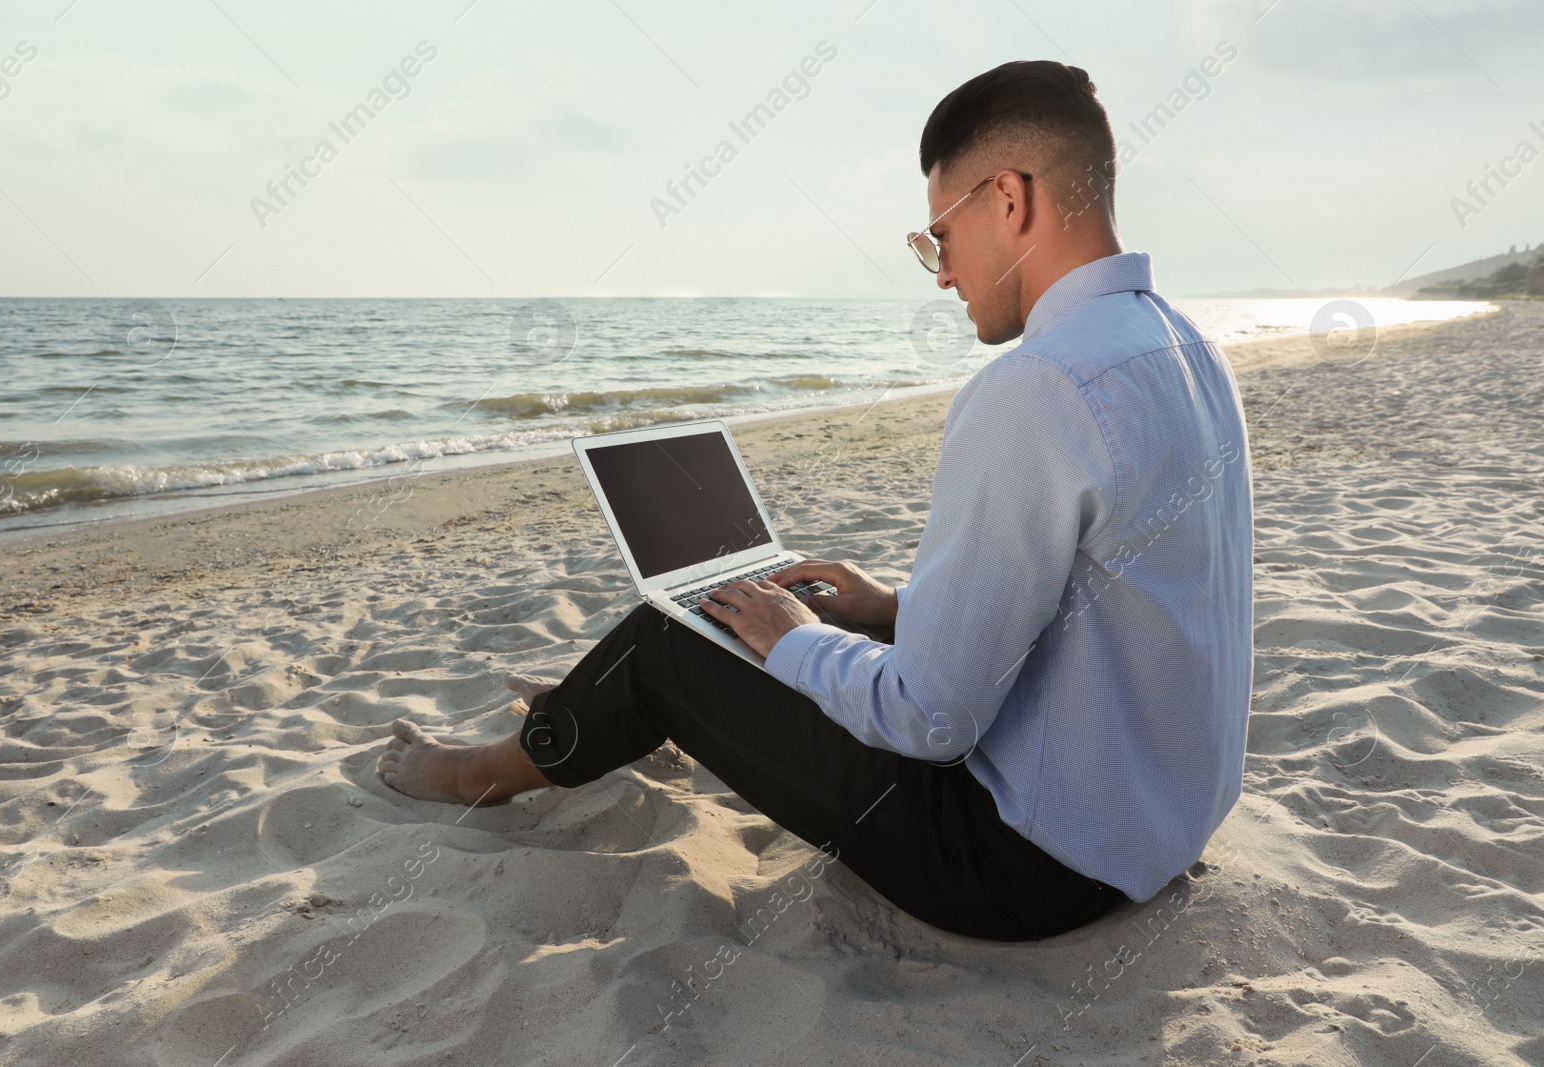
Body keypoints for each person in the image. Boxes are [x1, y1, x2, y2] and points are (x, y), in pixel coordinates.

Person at [377, 60, 1254, 942]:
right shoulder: (1187, 351)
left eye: (937, 237)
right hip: (1155, 826)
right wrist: (894, 610)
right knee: (830, 617)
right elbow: (1113, 610)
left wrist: (795, 640)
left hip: (1022, 867)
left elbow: (933, 719)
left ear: (1009, 200)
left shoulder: (1037, 387)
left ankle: (481, 771)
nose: (942, 274)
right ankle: (586, 710)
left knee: (663, 646)